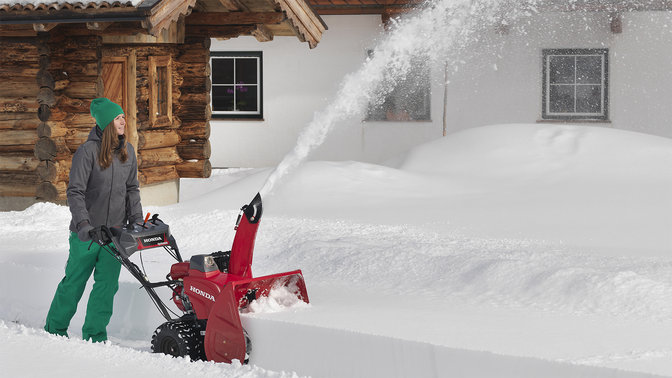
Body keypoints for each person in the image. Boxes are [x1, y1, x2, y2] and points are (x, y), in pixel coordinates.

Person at [44, 97, 143, 342]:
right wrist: (84, 225)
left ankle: (95, 337)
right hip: (86, 236)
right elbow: (75, 191)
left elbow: (132, 189)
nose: (124, 121)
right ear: (108, 122)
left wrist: (137, 220)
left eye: (123, 117)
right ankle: (54, 331)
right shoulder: (87, 152)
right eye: (119, 118)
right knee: (74, 283)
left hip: (114, 234)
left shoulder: (127, 151)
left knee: (106, 287)